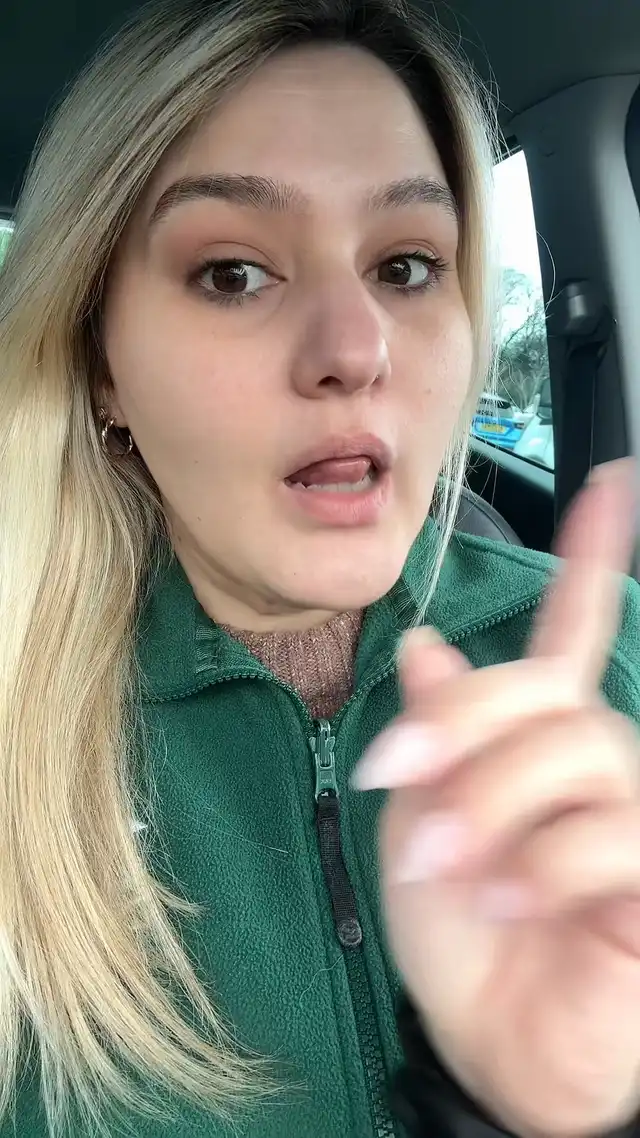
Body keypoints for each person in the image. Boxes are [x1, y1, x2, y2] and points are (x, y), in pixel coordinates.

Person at [1, 0, 640, 1135]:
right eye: (232, 275)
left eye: (406, 264)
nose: (356, 349)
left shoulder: (618, 657)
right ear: (101, 365)